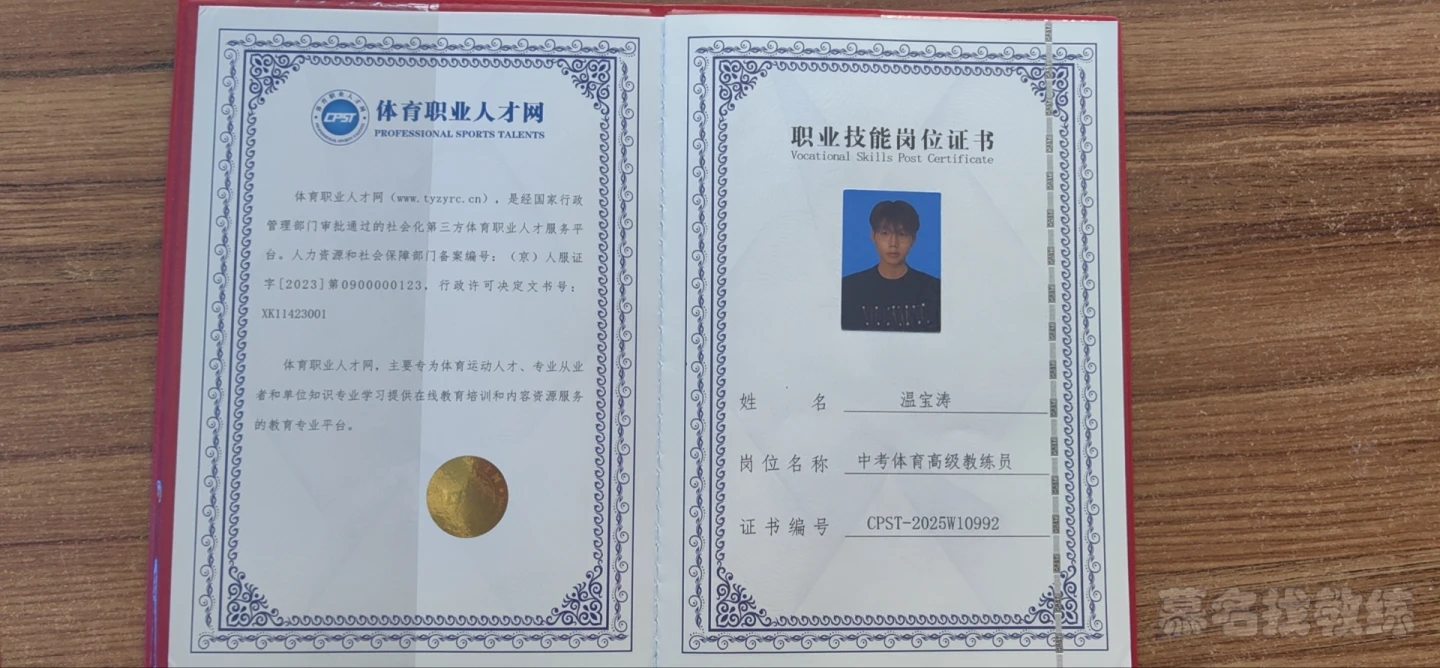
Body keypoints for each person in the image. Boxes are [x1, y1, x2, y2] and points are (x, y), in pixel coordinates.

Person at [840, 199, 941, 332]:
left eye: (902, 234)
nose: (893, 243)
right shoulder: (849, 289)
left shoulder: (934, 290)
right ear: (873, 235)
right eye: (885, 233)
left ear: (913, 239)